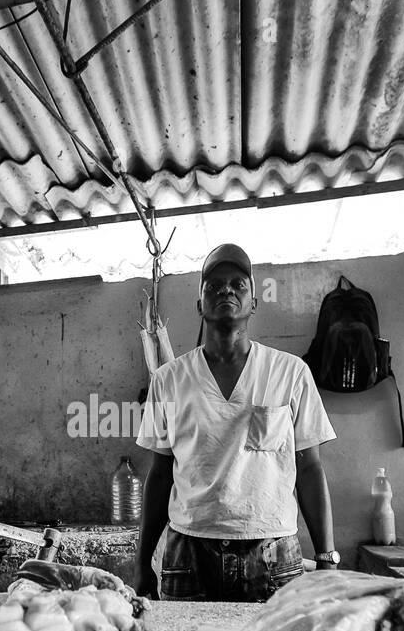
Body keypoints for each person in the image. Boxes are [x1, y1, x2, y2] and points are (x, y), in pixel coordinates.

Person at [133, 243, 340, 601]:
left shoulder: (290, 373)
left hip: (273, 554)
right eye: (213, 286)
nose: (225, 290)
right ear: (200, 306)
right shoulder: (168, 380)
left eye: (238, 284)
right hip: (188, 552)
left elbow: (310, 470)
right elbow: (160, 473)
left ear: (253, 303)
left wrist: (327, 558)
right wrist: (141, 564)